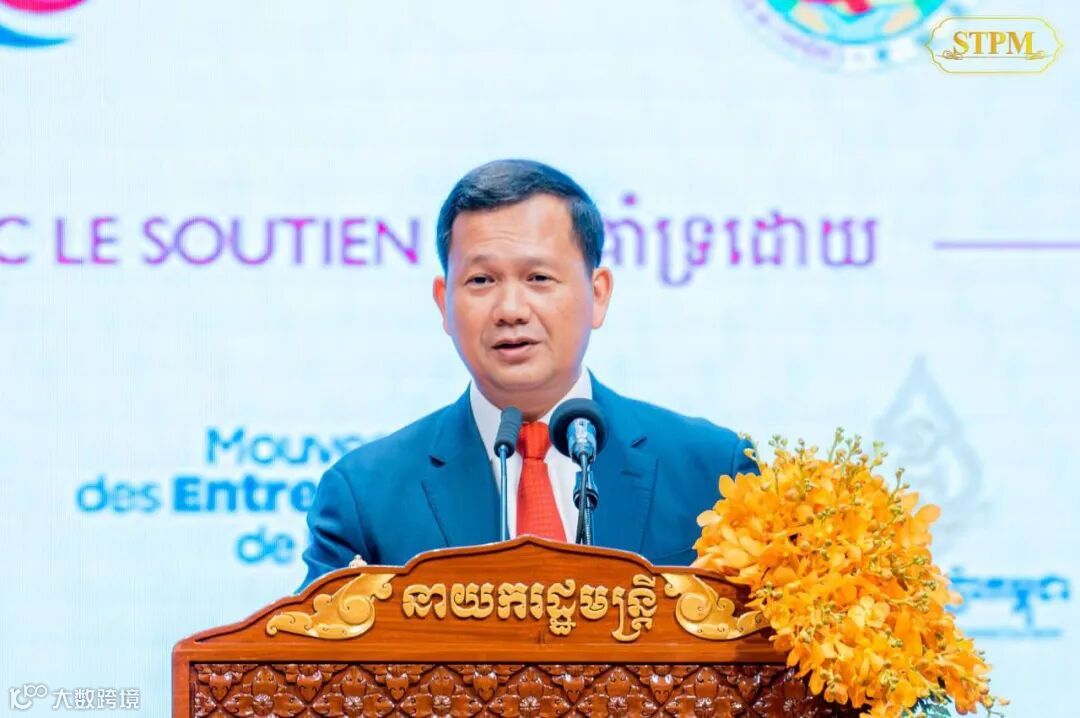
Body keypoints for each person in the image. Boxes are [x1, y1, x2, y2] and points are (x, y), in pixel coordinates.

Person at [298, 159, 754, 590]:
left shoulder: (713, 471)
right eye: (481, 281)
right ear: (443, 303)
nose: (511, 310)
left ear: (598, 295)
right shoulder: (365, 495)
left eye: (538, 278)